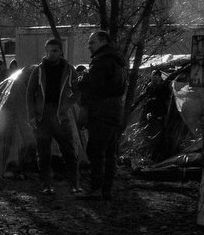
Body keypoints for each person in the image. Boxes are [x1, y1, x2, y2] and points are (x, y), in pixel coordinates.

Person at [75, 30, 128, 200]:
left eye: (92, 42)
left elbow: (92, 86)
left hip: (101, 112)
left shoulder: (101, 62)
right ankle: (106, 190)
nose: (89, 46)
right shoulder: (117, 60)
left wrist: (81, 80)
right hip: (114, 111)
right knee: (110, 153)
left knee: (96, 151)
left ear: (103, 41)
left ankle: (96, 188)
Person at [25, 37, 81, 195]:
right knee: (43, 153)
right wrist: (31, 115)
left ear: (61, 51)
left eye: (54, 51)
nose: (51, 54)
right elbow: (30, 93)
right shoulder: (39, 70)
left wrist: (67, 105)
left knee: (69, 152)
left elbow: (77, 91)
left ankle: (75, 184)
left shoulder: (69, 70)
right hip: (42, 117)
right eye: (48, 51)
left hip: (60, 116)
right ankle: (46, 185)